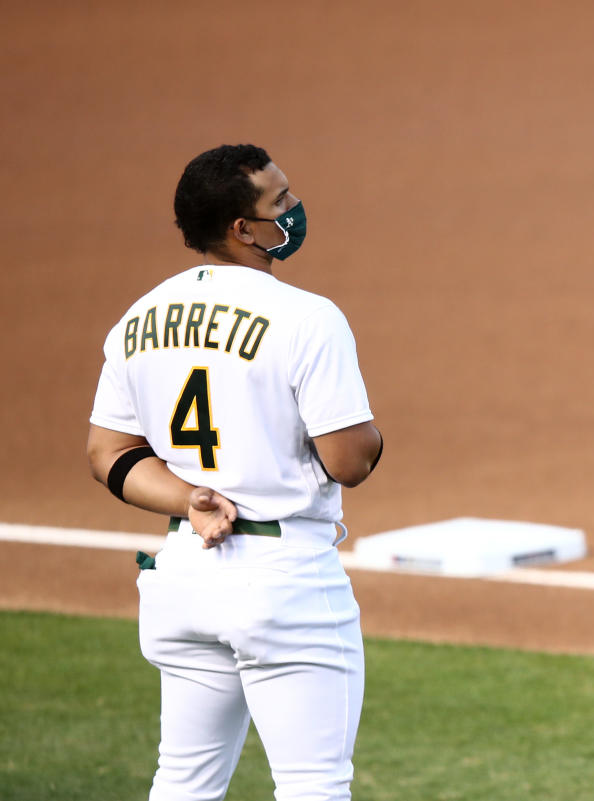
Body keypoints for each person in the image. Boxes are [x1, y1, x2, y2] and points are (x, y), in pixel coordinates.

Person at [87, 144, 383, 801]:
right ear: (241, 229)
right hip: (286, 581)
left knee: (184, 781)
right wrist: (374, 435)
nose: (295, 209)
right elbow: (349, 460)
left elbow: (108, 453)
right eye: (279, 203)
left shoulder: (138, 319)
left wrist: (190, 497)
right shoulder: (308, 317)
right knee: (313, 785)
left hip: (184, 573)